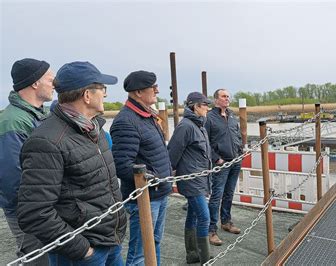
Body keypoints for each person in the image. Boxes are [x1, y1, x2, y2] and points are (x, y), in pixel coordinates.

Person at [16, 61, 127, 265]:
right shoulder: (46, 141)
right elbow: (34, 212)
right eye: (103, 89)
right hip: (83, 252)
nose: (106, 95)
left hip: (110, 240)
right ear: (87, 95)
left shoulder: (95, 130)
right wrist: (83, 250)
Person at [110, 70, 172, 265]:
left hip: (158, 194)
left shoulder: (146, 116)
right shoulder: (126, 121)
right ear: (138, 92)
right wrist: (152, 177)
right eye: (152, 86)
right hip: (144, 198)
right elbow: (122, 165)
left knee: (154, 244)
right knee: (139, 254)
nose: (157, 90)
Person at [0, 58, 54, 265]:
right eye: (50, 80)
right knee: (38, 260)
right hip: (30, 213)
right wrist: (39, 213)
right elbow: (12, 180)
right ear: (35, 83)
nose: (54, 85)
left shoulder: (41, 115)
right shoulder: (13, 120)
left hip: (45, 209)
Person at [168, 92, 212, 264]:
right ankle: (205, 258)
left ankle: (193, 254)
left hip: (200, 178)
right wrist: (170, 173)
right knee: (204, 217)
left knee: (193, 216)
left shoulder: (199, 125)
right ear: (195, 106)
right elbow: (173, 152)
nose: (208, 108)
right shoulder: (186, 126)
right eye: (205, 104)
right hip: (192, 179)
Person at [205, 88, 243, 245]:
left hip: (235, 161)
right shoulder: (209, 118)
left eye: (228, 96)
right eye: (223, 96)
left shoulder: (232, 116)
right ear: (216, 100)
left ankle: (226, 221)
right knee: (216, 196)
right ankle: (211, 229)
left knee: (229, 193)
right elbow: (205, 141)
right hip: (221, 163)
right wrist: (216, 159)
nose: (227, 98)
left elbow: (238, 135)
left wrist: (240, 150)